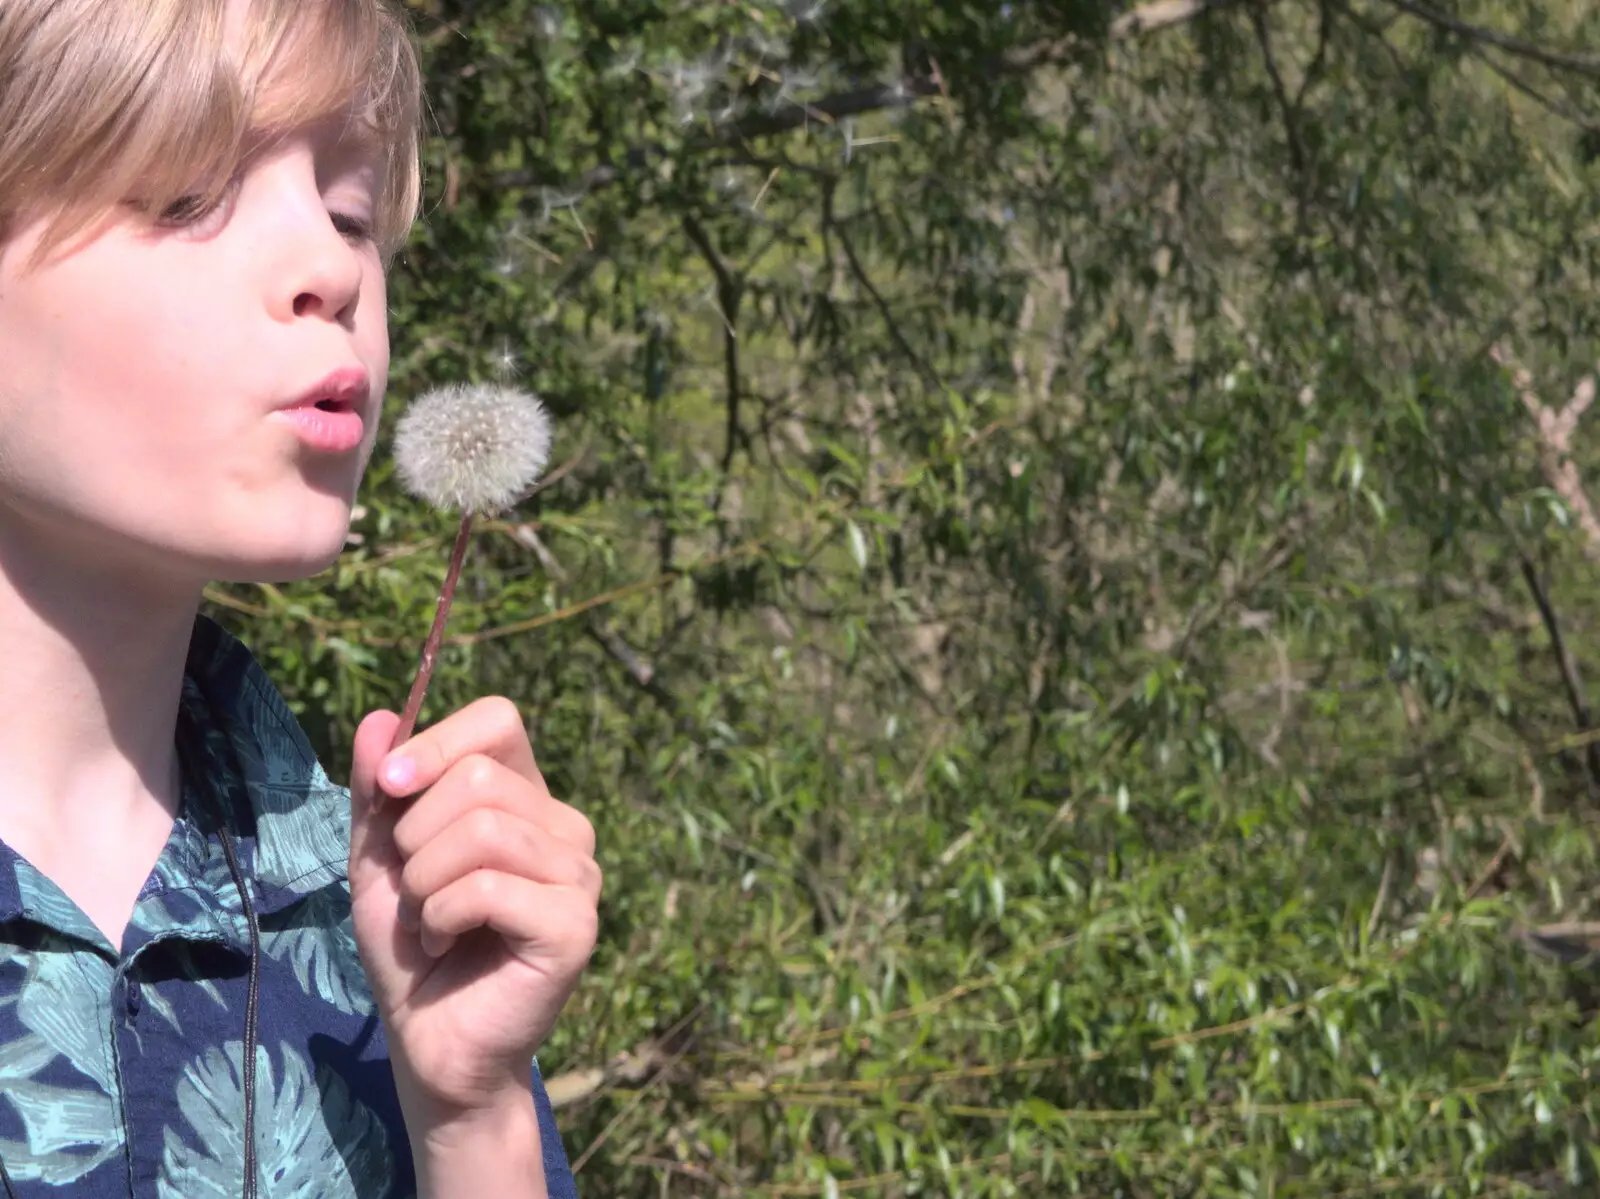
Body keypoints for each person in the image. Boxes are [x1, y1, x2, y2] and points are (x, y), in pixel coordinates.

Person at [0, 0, 599, 1195]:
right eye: (187, 192)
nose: (333, 266)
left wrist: (471, 1120)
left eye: (351, 211)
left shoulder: (386, 927)